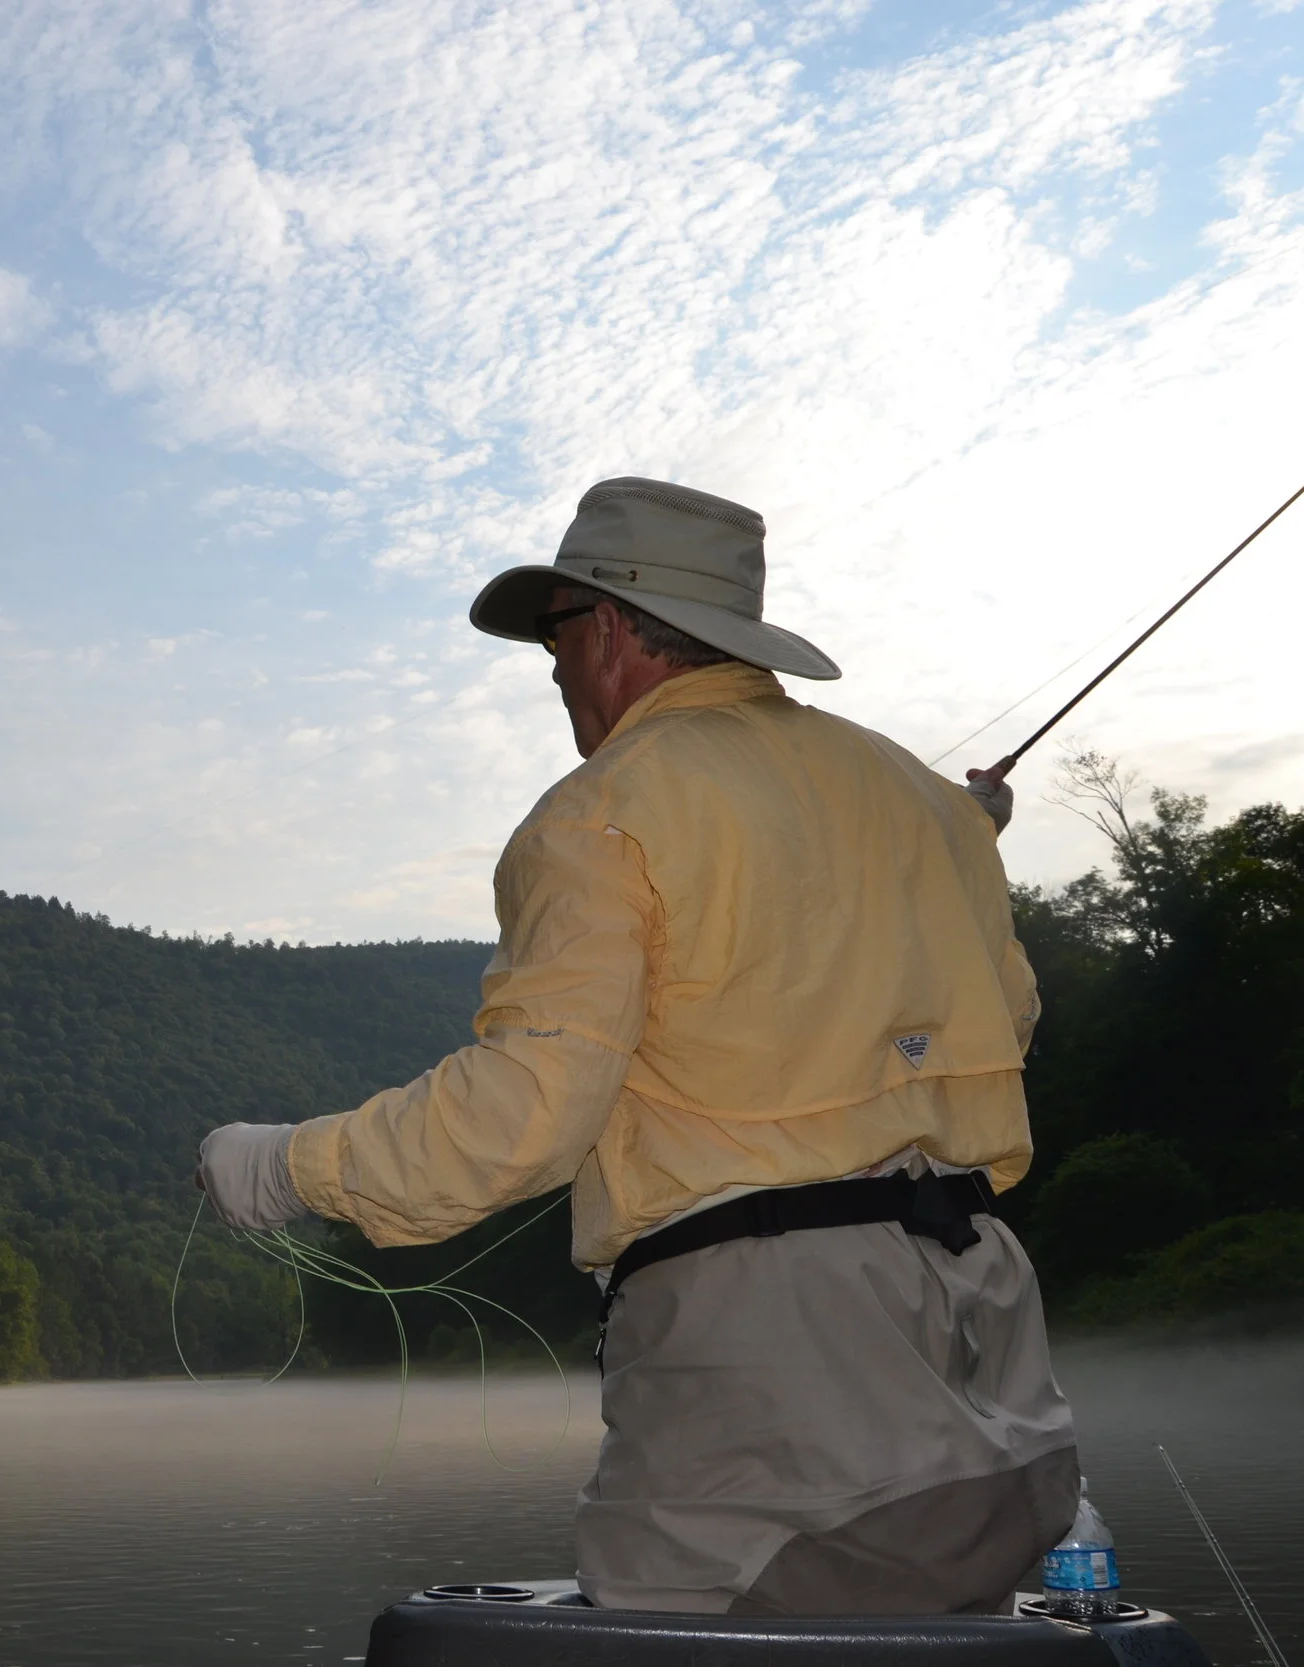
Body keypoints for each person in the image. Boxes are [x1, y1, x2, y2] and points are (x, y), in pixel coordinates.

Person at [196, 477, 1076, 1615]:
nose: (554, 669)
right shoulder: (933, 805)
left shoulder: (598, 812)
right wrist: (946, 838)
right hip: (995, 1345)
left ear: (607, 628)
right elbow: (1003, 1029)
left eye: (555, 637)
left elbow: (516, 1118)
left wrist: (273, 1167)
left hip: (771, 1377)